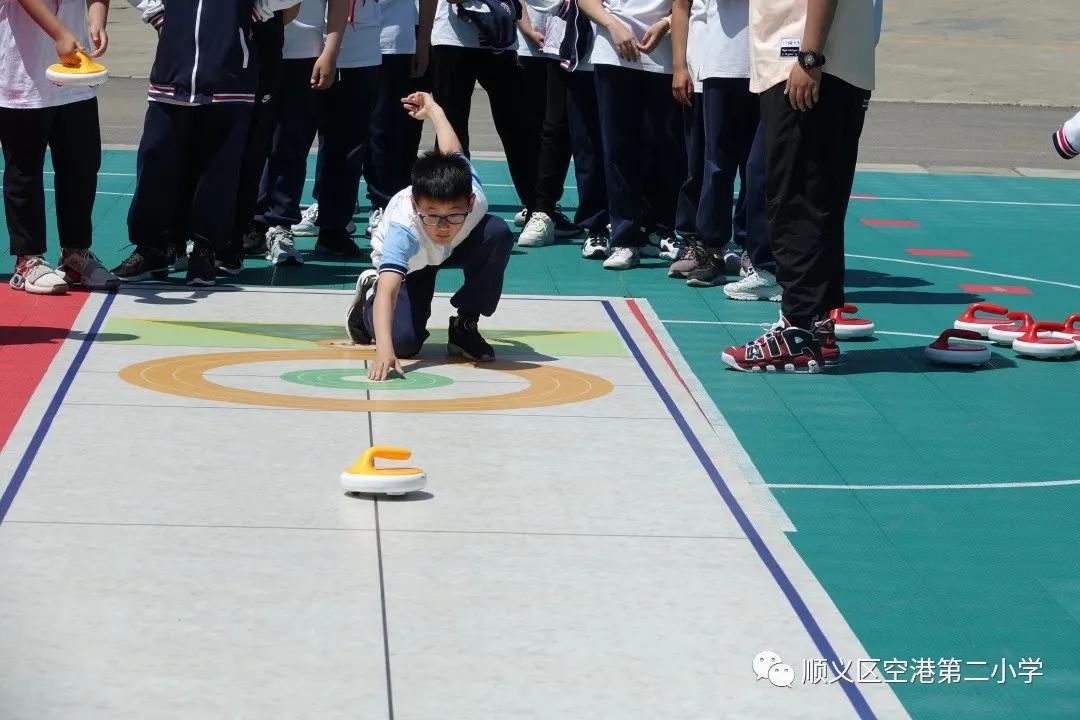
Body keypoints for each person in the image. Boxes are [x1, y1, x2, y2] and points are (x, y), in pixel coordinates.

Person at [721, 0, 879, 373]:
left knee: (797, 200)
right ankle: (816, 323)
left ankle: (799, 328)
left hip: (804, 60)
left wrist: (809, 57)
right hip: (832, 64)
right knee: (819, 198)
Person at [113, 0, 300, 286]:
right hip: (170, 79)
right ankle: (152, 250)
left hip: (230, 81)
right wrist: (156, 12)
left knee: (217, 175)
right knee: (155, 166)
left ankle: (205, 252)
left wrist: (257, 10)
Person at [345, 92, 514, 380]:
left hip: (454, 249)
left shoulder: (474, 197)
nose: (442, 226)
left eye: (454, 215)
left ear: (470, 203)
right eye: (432, 215)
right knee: (405, 344)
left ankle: (465, 325)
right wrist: (384, 350)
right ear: (415, 205)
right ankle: (365, 305)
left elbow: (453, 152)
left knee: (497, 232)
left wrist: (434, 110)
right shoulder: (404, 229)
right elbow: (390, 288)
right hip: (412, 263)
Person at [1, 0, 118, 294]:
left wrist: (96, 19)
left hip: (75, 78)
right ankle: (27, 260)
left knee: (82, 167)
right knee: (24, 170)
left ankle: (75, 255)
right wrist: (59, 33)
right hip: (22, 78)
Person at [578, 0, 686, 270]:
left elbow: (688, 4)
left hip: (665, 58)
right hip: (613, 53)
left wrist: (667, 23)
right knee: (619, 150)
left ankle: (658, 230)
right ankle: (625, 238)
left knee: (665, 149)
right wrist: (613, 25)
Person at [253, 0, 347, 265]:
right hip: (251, 47)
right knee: (245, 143)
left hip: (304, 52)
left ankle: (279, 224)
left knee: (291, 145)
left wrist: (330, 51)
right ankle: (243, 226)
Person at [429, 0, 539, 221]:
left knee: (518, 128)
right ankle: (452, 204)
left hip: (500, 41)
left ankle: (539, 208)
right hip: (453, 42)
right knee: (451, 127)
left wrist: (528, 29)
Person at [360, 0, 436, 235]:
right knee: (365, 132)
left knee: (400, 131)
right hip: (355, 41)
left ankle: (393, 204)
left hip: (398, 42)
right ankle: (376, 204)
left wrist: (422, 44)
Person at [515, 4, 580, 247]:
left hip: (571, 44)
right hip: (534, 44)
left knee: (561, 130)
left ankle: (544, 207)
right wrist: (526, 27)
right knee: (537, 130)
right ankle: (537, 207)